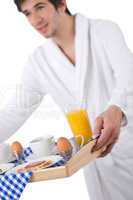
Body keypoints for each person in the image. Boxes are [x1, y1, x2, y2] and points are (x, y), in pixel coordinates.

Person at [1, 0, 133, 199]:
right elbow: (14, 111)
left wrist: (117, 109)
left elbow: (128, 78)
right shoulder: (39, 63)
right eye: (27, 13)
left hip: (127, 146)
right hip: (91, 159)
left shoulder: (104, 31)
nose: (35, 19)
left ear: (61, 3)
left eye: (40, 7)